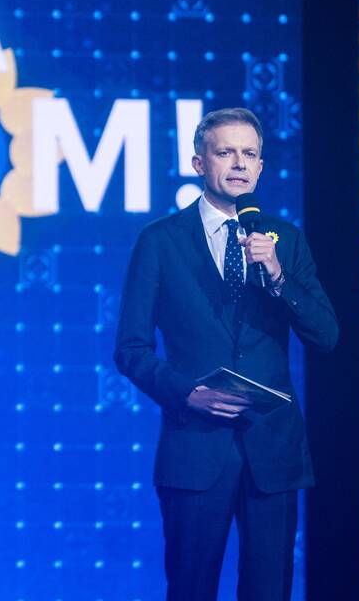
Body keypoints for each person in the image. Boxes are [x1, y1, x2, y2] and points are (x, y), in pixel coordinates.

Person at [114, 107, 338, 601]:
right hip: (195, 445)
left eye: (249, 154)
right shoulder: (160, 241)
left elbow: (326, 336)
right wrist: (186, 394)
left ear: (261, 166)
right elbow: (130, 348)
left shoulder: (284, 240)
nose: (239, 163)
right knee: (191, 589)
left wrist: (278, 275)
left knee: (269, 590)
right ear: (199, 163)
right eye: (226, 152)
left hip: (272, 448)